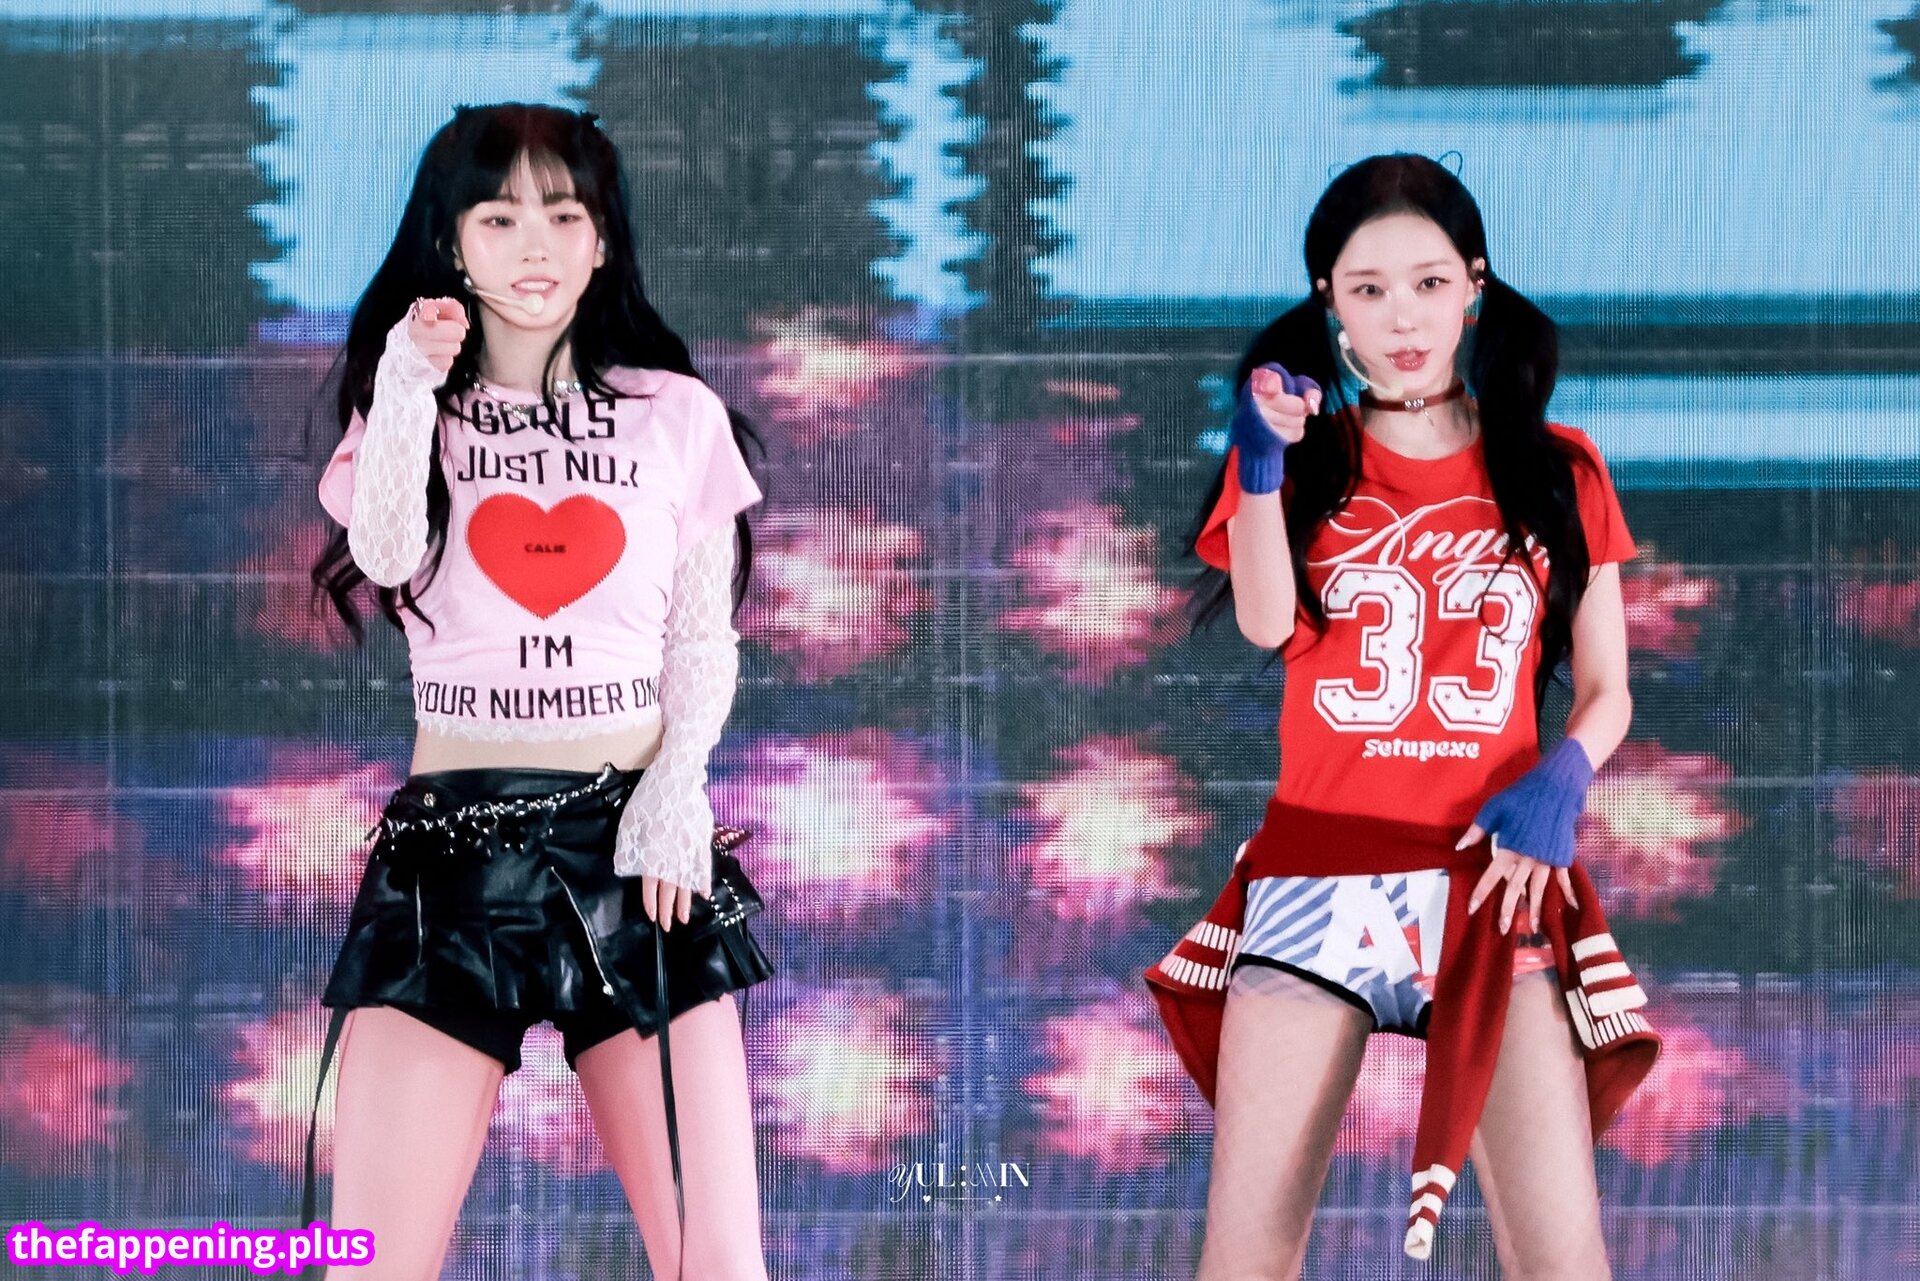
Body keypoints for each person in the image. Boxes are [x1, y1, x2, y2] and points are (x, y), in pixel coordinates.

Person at [1145, 154, 1661, 1280]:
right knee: (1245, 1260)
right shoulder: (1303, 458)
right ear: (1328, 302)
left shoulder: (1560, 467)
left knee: (1564, 1261)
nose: (1403, 317)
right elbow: (1266, 623)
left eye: (1428, 283)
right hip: (1318, 881)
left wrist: (1563, 776)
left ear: (1475, 283)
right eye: (1368, 289)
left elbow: (1609, 689)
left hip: (1493, 883)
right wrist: (1260, 465)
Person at [308, 103, 772, 1281]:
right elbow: (386, 551)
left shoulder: (674, 413)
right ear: (451, 240)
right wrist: (406, 387)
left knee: (720, 1262)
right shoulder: (415, 407)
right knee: (370, 1260)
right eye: (500, 215)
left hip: (636, 852)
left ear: (603, 240)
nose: (536, 245)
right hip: (452, 863)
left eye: (565, 215)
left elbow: (701, 638)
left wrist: (677, 789)